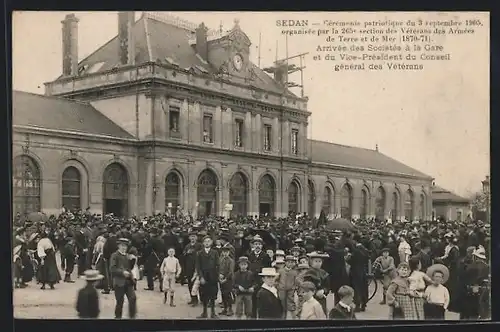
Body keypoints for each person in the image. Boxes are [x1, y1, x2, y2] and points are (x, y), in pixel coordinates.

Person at [109, 238, 137, 319]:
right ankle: (118, 318)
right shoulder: (114, 255)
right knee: (120, 302)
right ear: (118, 246)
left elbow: (130, 268)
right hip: (119, 282)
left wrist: (133, 260)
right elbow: (112, 269)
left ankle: (132, 317)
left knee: (133, 299)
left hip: (128, 281)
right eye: (122, 246)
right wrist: (122, 272)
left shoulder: (127, 255)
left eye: (125, 246)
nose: (124, 248)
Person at [195, 235, 220, 319]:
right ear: (203, 243)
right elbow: (198, 266)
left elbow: (218, 265)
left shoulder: (215, 252)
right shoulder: (199, 253)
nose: (207, 243)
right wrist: (201, 277)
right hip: (204, 276)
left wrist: (218, 275)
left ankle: (213, 313)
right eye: (205, 241)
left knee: (212, 295)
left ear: (211, 243)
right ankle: (204, 312)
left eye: (208, 241)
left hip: (213, 276)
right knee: (204, 295)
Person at [248, 235, 272, 318]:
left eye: (259, 244)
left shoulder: (266, 256)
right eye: (256, 244)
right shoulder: (249, 255)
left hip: (262, 281)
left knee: (262, 300)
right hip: (252, 281)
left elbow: (269, 269)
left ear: (262, 246)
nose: (257, 246)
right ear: (253, 245)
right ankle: (253, 318)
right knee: (252, 301)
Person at [183, 231, 202, 306]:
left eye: (194, 236)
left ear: (196, 238)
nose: (193, 238)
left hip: (197, 266)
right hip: (189, 267)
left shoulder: (199, 245)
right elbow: (183, 255)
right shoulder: (187, 246)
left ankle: (202, 299)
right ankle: (193, 299)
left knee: (198, 284)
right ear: (189, 238)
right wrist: (187, 252)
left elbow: (202, 254)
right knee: (190, 283)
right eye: (191, 236)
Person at [219, 246, 235, 316]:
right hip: (221, 279)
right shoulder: (221, 259)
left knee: (228, 294)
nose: (225, 253)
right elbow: (218, 268)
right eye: (224, 252)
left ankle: (230, 309)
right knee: (223, 294)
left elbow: (230, 272)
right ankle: (225, 309)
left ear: (229, 252)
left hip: (228, 280)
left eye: (226, 252)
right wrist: (219, 276)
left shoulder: (231, 261)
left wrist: (225, 279)